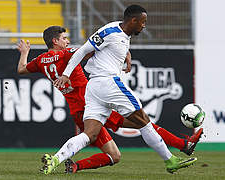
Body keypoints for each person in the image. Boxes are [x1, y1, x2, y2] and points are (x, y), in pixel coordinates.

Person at [16, 26, 203, 174]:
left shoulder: (41, 61)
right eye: (64, 38)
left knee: (115, 155)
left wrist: (24, 52)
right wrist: (124, 52)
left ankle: (72, 166)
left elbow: (21, 69)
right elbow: (87, 50)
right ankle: (183, 145)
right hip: (93, 102)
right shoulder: (66, 54)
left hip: (79, 110)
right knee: (143, 122)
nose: (67, 41)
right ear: (55, 41)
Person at [52, 5, 198, 174]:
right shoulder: (110, 32)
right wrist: (66, 74)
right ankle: (170, 160)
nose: (144, 26)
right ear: (133, 20)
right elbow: (84, 50)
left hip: (94, 88)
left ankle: (55, 159)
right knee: (143, 120)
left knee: (90, 134)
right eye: (143, 22)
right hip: (108, 83)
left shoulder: (122, 34)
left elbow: (114, 47)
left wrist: (126, 55)